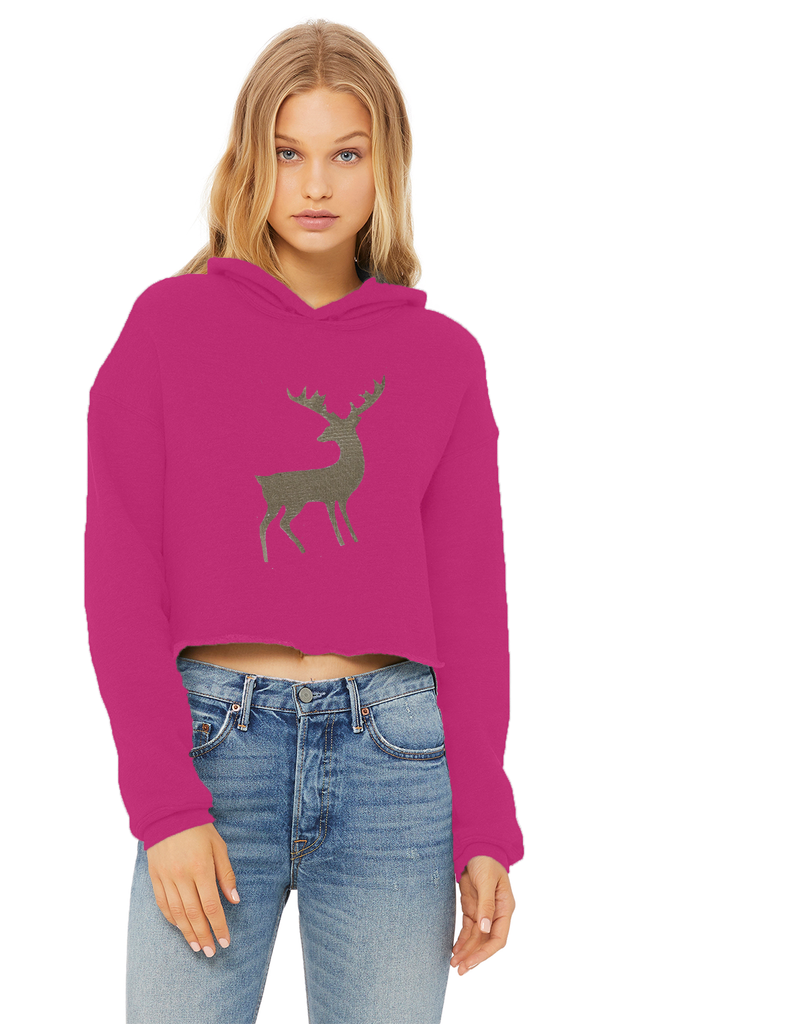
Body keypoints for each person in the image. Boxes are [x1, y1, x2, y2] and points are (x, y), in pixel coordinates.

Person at [84, 19, 524, 1024]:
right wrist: (164, 801)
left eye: (346, 154)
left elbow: (469, 605)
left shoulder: (444, 360)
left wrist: (485, 824)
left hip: (395, 763)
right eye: (289, 153)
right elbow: (120, 575)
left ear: (386, 166)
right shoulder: (166, 327)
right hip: (214, 750)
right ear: (252, 159)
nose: (315, 184)